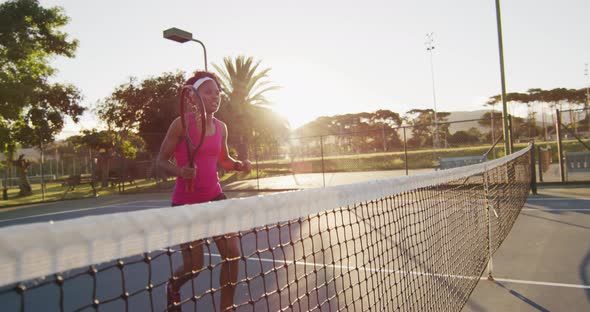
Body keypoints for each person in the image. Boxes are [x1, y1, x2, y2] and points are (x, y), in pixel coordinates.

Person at [157, 71, 251, 312]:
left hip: (216, 199)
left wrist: (240, 165)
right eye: (208, 92)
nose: (215, 96)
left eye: (218, 93)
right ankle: (172, 287)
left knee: (232, 255)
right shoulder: (181, 124)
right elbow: (161, 161)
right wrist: (180, 171)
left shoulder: (222, 127)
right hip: (185, 206)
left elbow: (225, 160)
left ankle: (226, 309)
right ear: (193, 96)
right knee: (194, 266)